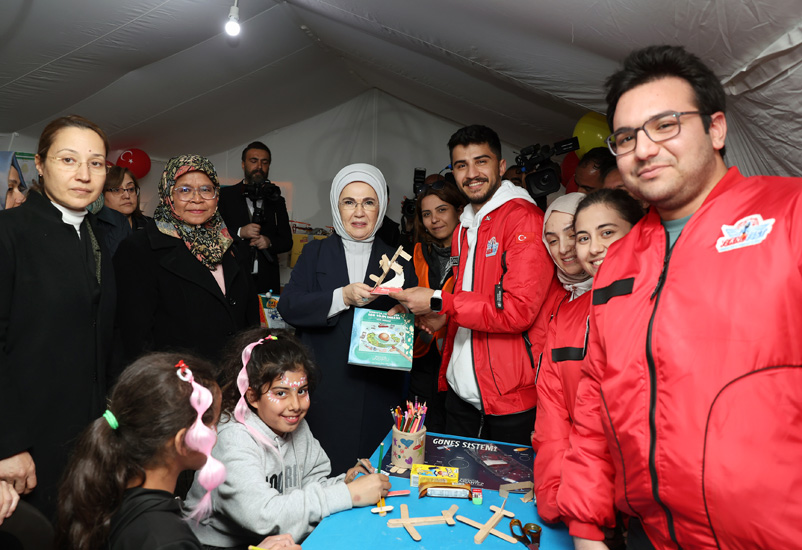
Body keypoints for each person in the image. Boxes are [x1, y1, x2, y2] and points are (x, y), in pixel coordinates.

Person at [557, 44, 802, 550]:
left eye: (665, 125)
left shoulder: (787, 217)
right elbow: (595, 400)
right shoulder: (619, 263)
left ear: (716, 129)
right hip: (652, 537)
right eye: (627, 137)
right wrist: (585, 527)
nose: (644, 149)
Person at [393, 125, 555, 445]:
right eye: (461, 165)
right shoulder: (465, 226)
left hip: (508, 399)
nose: (471, 174)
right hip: (460, 393)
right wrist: (442, 317)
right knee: (455, 477)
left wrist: (440, 301)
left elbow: (517, 311)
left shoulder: (524, 219)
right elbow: (470, 298)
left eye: (481, 161)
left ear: (501, 166)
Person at [0, 115, 117, 520]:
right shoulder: (9, 233)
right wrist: (8, 445)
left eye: (96, 163)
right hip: (30, 442)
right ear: (40, 163)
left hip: (90, 439)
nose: (84, 175)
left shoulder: (96, 235)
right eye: (68, 160)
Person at [184, 329, 391, 546]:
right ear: (252, 397)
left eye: (302, 391)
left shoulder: (292, 423)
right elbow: (264, 516)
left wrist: (344, 482)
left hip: (278, 538)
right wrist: (348, 494)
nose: (295, 405)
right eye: (281, 393)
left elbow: (313, 485)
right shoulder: (233, 439)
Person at [277, 163, 417, 473]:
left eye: (369, 202)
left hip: (378, 391)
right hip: (323, 389)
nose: (359, 212)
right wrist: (342, 297)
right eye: (349, 202)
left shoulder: (399, 261)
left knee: (375, 479)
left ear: (381, 207)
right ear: (336, 206)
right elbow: (289, 306)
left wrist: (406, 317)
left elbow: (412, 325)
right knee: (322, 478)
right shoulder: (314, 253)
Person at [533, 190, 642, 542]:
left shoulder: (665, 303)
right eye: (584, 237)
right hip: (589, 502)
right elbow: (555, 419)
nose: (593, 248)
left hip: (655, 505)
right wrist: (557, 496)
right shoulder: (566, 316)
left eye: (607, 232)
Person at [113, 154, 259, 364]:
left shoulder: (229, 244)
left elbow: (249, 318)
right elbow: (134, 336)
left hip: (233, 373)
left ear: (216, 195)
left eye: (206, 189)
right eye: (184, 190)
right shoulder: (139, 249)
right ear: (168, 194)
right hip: (177, 377)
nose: (197, 199)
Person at [409, 179, 467, 432]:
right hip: (422, 353)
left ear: (459, 211)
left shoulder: (475, 253)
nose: (434, 220)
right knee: (418, 428)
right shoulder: (416, 252)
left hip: (459, 355)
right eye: (427, 214)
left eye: (442, 210)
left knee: (452, 431)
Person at [217, 142, 292, 295]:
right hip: (234, 277)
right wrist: (239, 232)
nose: (259, 166)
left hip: (267, 281)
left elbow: (287, 241)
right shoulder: (225, 196)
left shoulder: (277, 200)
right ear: (243, 164)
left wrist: (269, 242)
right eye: (253, 161)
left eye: (264, 162)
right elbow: (212, 234)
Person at [104, 166, 151, 230]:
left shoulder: (152, 226)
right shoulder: (93, 230)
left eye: (131, 189)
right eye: (117, 190)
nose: (127, 196)